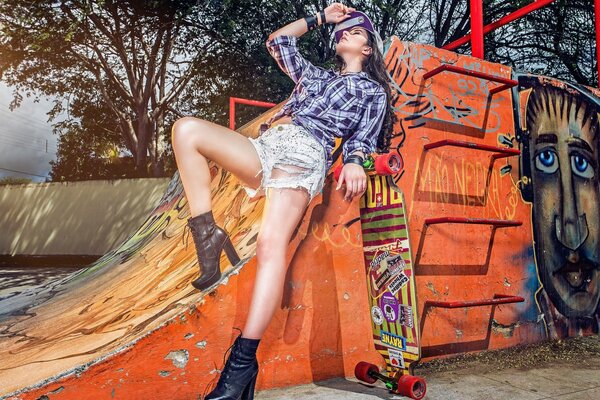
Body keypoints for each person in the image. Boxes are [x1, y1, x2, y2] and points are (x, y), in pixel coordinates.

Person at [171, 3, 395, 399]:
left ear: (368, 50)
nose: (347, 32)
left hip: (305, 154)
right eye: (344, 29)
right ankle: (207, 233)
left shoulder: (372, 92)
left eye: (357, 31)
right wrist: (322, 18)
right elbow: (278, 41)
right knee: (187, 130)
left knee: (269, 246)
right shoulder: (316, 76)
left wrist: (356, 162)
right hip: (267, 146)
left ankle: (239, 367)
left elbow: (362, 138)